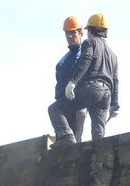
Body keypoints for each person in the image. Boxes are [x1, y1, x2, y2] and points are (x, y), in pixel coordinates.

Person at [51, 13, 119, 147]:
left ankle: (67, 137)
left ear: (89, 31)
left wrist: (73, 82)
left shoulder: (90, 42)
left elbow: (85, 61)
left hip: (91, 89)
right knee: (98, 135)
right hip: (106, 94)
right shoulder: (113, 54)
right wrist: (115, 104)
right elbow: (115, 79)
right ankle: (100, 156)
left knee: (54, 109)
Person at [48, 16, 87, 144]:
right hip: (64, 105)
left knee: (74, 142)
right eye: (67, 33)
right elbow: (59, 85)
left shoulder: (85, 56)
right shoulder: (62, 62)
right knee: (64, 142)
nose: (70, 36)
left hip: (77, 104)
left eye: (73, 32)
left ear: (81, 34)